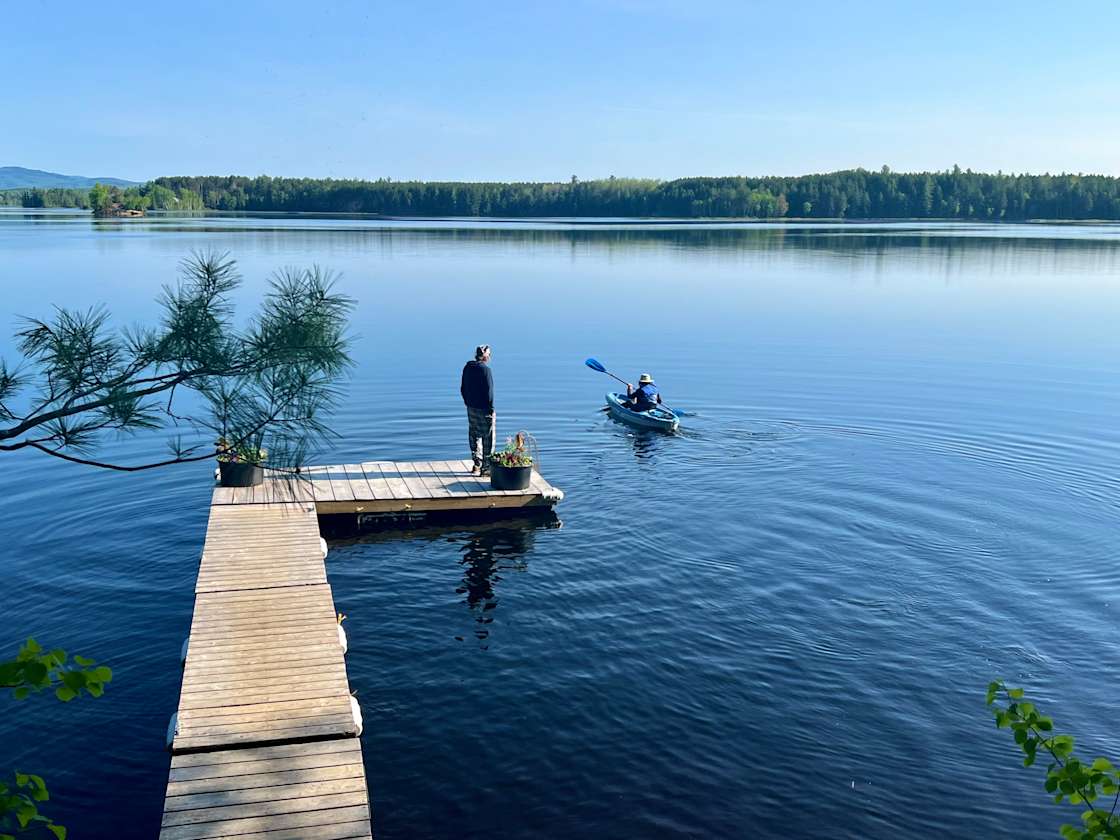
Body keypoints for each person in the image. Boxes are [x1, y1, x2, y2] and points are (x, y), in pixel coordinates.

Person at [460, 344, 495, 475]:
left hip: (471, 407)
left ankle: (477, 464)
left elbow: (462, 388)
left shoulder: (468, 367)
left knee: (474, 434)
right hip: (484, 409)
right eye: (489, 354)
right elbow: (489, 393)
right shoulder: (486, 370)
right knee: (488, 438)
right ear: (485, 355)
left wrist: (467, 402)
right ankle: (486, 467)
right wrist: (491, 409)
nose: (490, 357)